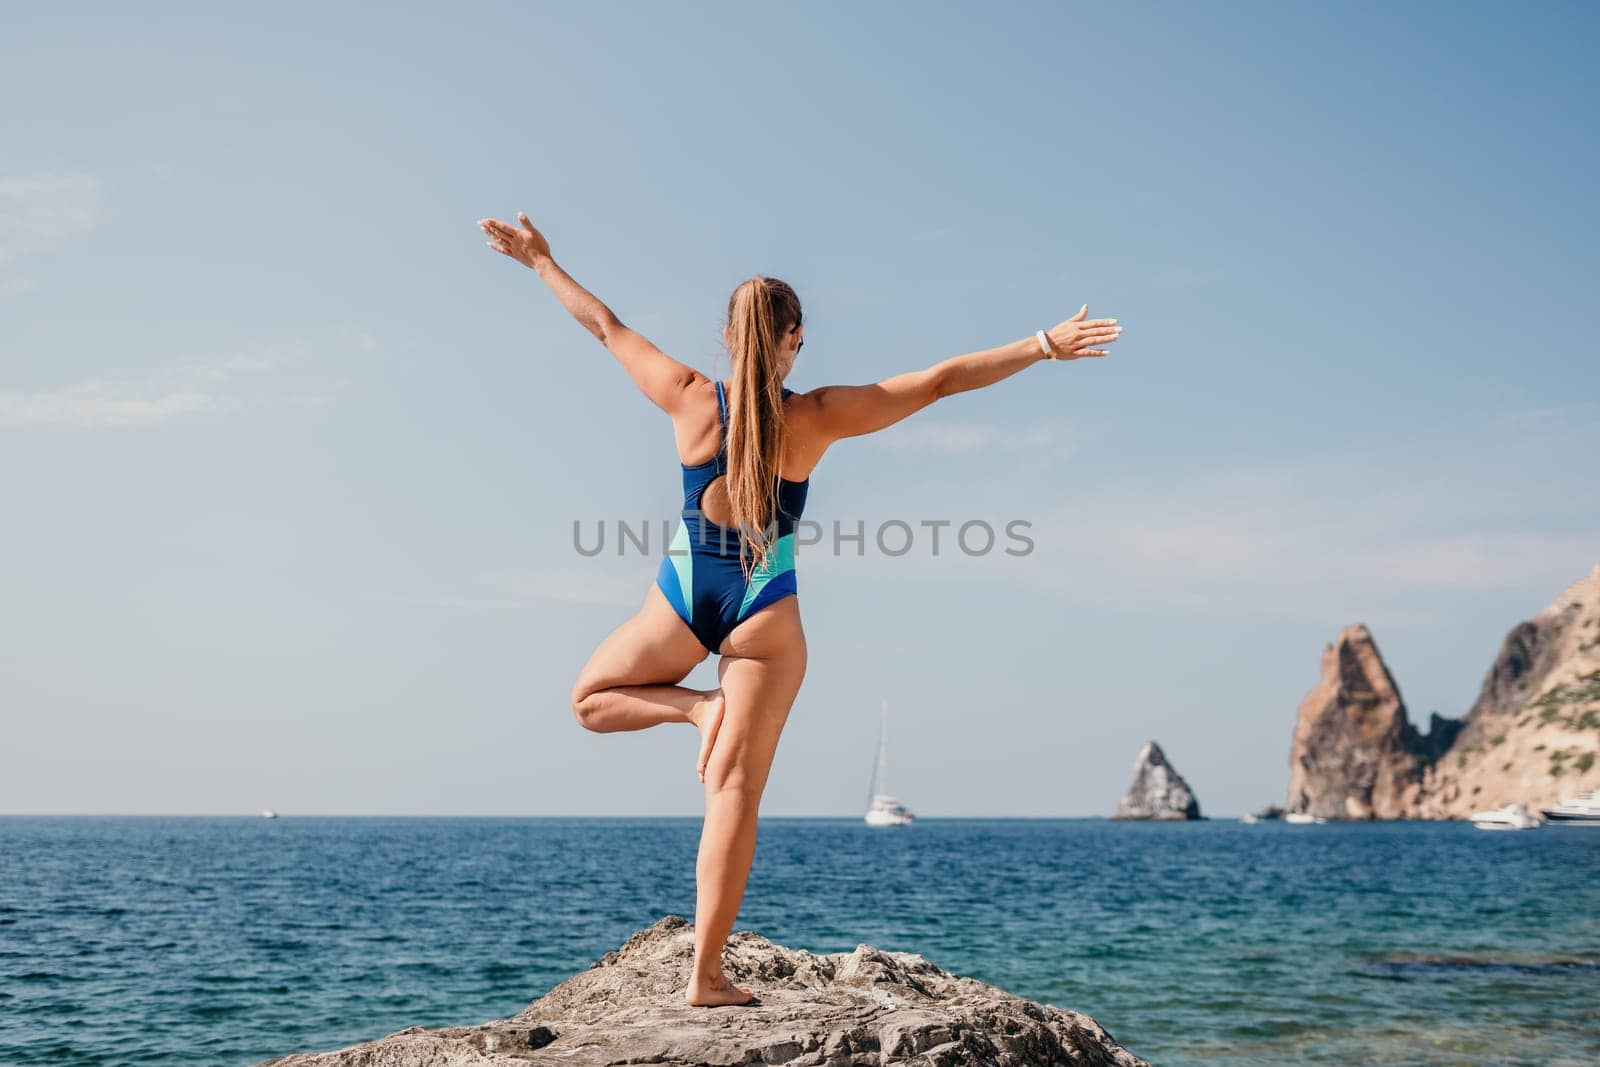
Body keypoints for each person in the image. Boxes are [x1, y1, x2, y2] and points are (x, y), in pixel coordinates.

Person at [477, 211, 1122, 1006]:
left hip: (682, 595)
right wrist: (1042, 344)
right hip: (764, 612)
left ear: (726, 336)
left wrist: (541, 261)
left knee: (588, 700)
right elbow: (942, 379)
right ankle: (705, 975)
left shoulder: (685, 395)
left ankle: (693, 712)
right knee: (735, 794)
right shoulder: (815, 416)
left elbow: (605, 327)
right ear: (793, 339)